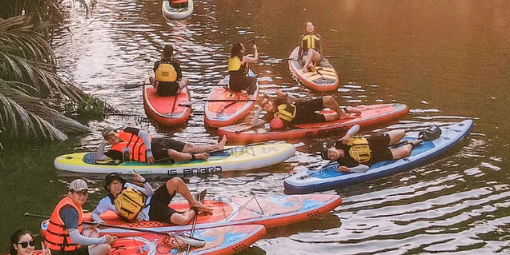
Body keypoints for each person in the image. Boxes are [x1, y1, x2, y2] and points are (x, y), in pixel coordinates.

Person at [43, 179, 116, 255]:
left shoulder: (70, 204)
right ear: (70, 194)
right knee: (106, 247)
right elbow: (75, 239)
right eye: (79, 193)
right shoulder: (70, 211)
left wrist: (92, 225)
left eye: (84, 193)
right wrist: (102, 240)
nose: (82, 196)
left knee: (93, 230)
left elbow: (73, 227)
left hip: (60, 251)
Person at [325, 124, 439, 172]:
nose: (332, 155)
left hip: (376, 141)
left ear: (332, 148)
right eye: (330, 157)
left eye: (330, 152)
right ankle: (412, 143)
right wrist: (349, 170)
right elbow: (364, 169)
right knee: (404, 152)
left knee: (401, 133)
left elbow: (357, 126)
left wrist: (348, 134)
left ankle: (403, 138)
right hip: (377, 156)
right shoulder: (344, 163)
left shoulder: (340, 142)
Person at [95, 127, 225, 164]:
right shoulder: (114, 151)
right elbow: (99, 158)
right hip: (146, 156)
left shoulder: (127, 130)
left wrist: (150, 151)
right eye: (109, 139)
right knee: (171, 153)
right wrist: (102, 144)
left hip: (153, 144)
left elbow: (144, 136)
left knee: (188, 146)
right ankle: (197, 157)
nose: (112, 138)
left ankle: (215, 147)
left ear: (116, 132)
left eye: (112, 135)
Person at [256, 92, 355, 130]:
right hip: (303, 119)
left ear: (269, 100)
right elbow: (254, 123)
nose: (266, 105)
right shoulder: (269, 116)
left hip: (302, 107)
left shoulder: (278, 100)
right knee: (332, 118)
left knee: (329, 99)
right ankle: (347, 110)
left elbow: (294, 99)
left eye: (266, 102)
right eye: (263, 106)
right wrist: (259, 109)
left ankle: (342, 114)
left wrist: (285, 94)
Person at [147, 176, 212, 225]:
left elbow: (150, 192)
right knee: (182, 220)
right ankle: (195, 209)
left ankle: (193, 202)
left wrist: (143, 182)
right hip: (149, 210)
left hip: (151, 198)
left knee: (176, 181)